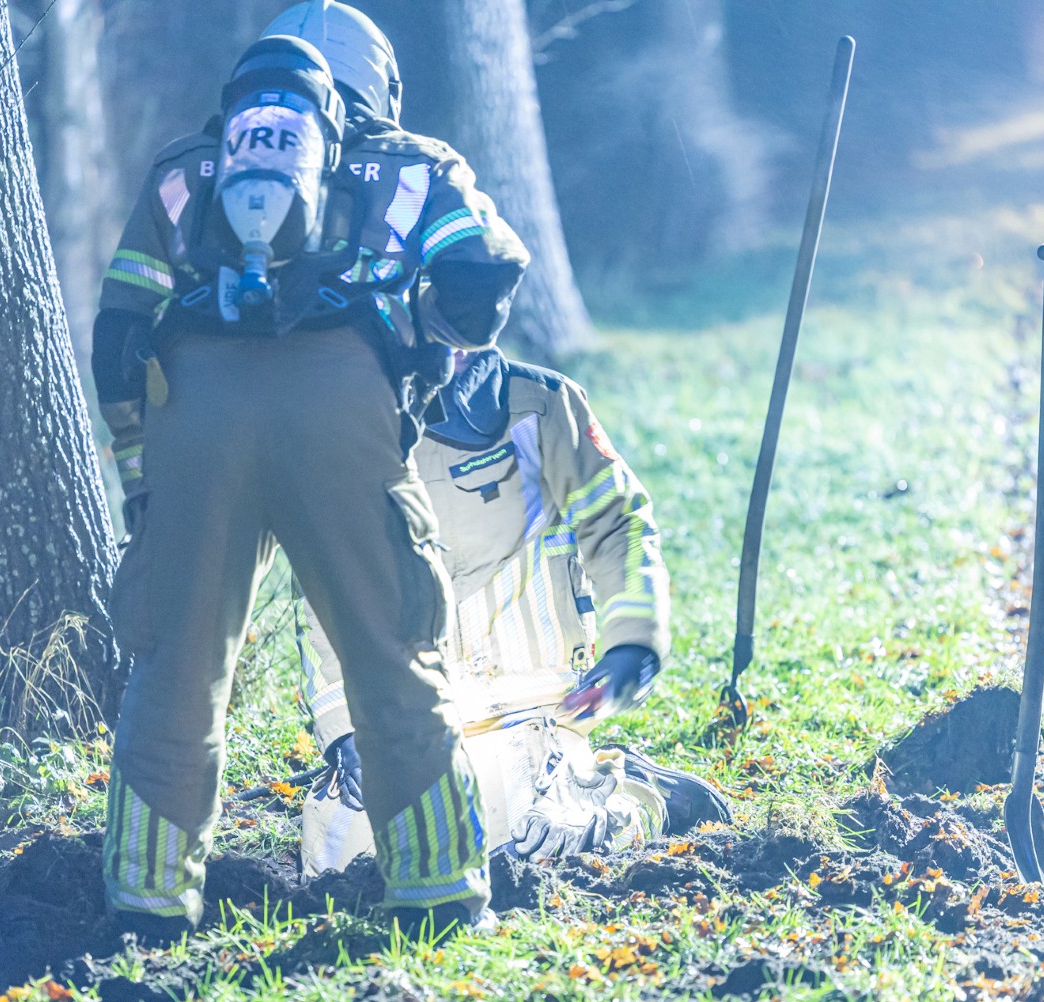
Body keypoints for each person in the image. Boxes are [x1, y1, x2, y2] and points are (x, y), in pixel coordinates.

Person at [92, 2, 529, 943]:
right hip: (344, 411)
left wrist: (143, 475)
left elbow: (119, 335)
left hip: (193, 413)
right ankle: (442, 893)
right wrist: (425, 343)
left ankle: (147, 907)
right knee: (393, 651)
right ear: (376, 82)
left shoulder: (186, 170)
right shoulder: (415, 164)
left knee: (176, 667)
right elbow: (484, 276)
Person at [295, 346, 730, 878]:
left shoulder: (544, 408)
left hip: (536, 702)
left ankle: (640, 794)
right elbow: (324, 591)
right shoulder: (350, 422)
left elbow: (620, 525)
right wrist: (346, 729)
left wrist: (632, 643)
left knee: (543, 837)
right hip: (414, 713)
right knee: (339, 860)